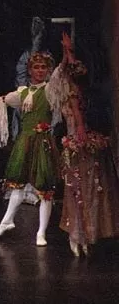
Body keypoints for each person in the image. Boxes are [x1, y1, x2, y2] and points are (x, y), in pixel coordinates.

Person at [0, 48, 59, 246]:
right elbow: (3, 100)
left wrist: (67, 52)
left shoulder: (50, 90)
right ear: (30, 70)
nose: (40, 71)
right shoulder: (23, 93)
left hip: (42, 142)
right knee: (17, 183)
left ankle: (41, 232)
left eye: (43, 67)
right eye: (36, 67)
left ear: (48, 70)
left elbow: (62, 79)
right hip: (25, 141)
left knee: (44, 188)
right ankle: (7, 220)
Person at [47, 32, 119, 255]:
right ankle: (77, 234)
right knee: (77, 189)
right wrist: (67, 53)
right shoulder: (66, 92)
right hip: (77, 143)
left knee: (92, 188)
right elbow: (66, 75)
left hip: (89, 141)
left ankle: (87, 233)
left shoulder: (88, 93)